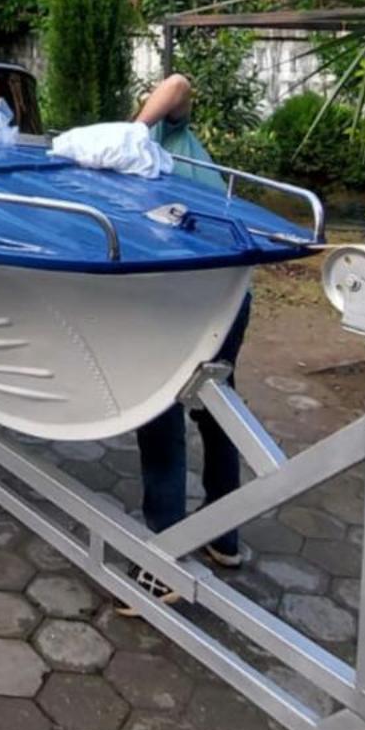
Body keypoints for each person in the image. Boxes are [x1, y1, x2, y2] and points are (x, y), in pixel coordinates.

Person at [118, 71, 251, 610]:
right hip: (228, 282)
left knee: (160, 406)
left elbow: (177, 82)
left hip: (197, 285)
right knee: (217, 401)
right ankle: (225, 537)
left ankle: (164, 560)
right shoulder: (135, 155)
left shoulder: (162, 136)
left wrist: (135, 131)